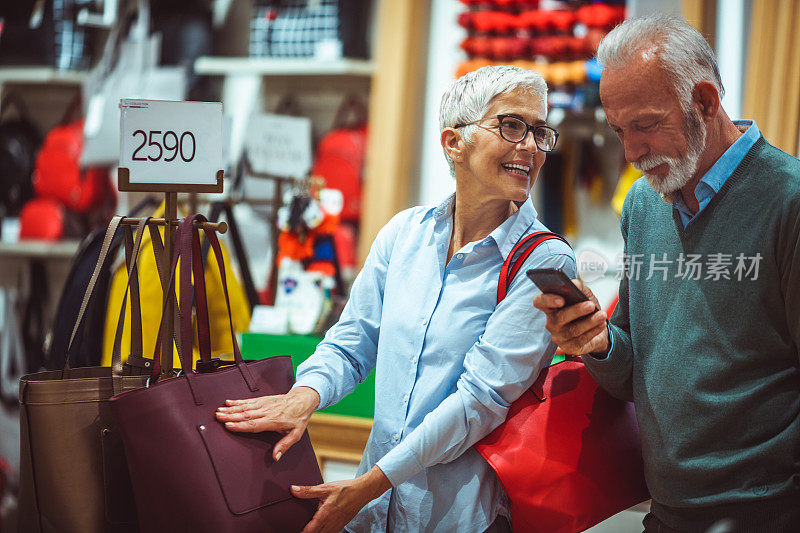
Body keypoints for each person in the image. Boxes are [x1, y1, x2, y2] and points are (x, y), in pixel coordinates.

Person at [216, 64, 575, 532]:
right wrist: (305, 395)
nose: (530, 146)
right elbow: (353, 341)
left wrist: (367, 485)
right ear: (454, 142)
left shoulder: (544, 261)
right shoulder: (406, 235)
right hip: (373, 515)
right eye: (511, 125)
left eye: (540, 131)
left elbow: (478, 402)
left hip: (461, 518)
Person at [533, 14, 800, 533]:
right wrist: (598, 342)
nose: (631, 153)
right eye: (618, 131)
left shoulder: (788, 201)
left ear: (704, 101)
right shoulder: (644, 203)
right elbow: (636, 372)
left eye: (646, 125)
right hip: (666, 511)